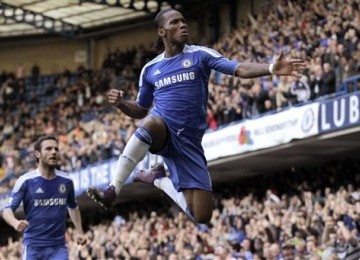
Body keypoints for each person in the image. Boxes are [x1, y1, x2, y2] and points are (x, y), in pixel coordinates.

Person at [87, 8, 306, 224]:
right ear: (161, 32)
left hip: (189, 142)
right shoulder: (150, 70)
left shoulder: (200, 55)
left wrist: (270, 68)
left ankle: (158, 179)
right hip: (163, 131)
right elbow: (141, 110)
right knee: (151, 122)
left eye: (183, 21)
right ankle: (113, 188)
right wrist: (122, 104)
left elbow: (238, 69)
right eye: (175, 22)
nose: (182, 25)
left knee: (202, 216)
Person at [2, 135, 87, 260]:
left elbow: (73, 207)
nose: (53, 152)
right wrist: (15, 222)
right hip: (33, 247)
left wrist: (79, 231)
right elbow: (7, 210)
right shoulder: (25, 181)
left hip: (58, 247)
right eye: (48, 149)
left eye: (56, 149)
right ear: (38, 154)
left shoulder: (66, 181)